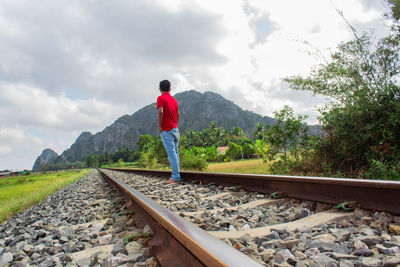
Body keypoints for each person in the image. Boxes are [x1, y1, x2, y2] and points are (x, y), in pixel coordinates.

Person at [157, 80, 181, 184]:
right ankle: (177, 174)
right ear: (170, 89)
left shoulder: (161, 98)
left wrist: (160, 126)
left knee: (171, 153)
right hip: (175, 129)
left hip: (166, 129)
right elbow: (178, 113)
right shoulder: (174, 100)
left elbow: (161, 111)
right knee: (175, 153)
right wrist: (175, 123)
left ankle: (175, 177)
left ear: (160, 89)